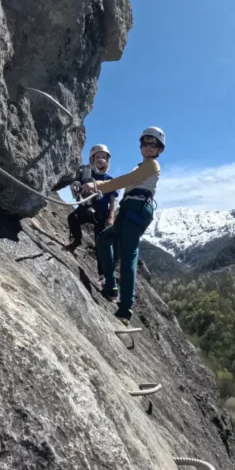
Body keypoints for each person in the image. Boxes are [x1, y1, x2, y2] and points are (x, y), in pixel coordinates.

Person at [81, 127, 165, 326]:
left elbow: (125, 181)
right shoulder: (142, 167)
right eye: (145, 142)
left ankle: (125, 308)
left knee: (128, 255)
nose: (148, 147)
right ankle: (111, 285)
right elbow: (128, 181)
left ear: (159, 149)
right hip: (129, 210)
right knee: (103, 238)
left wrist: (97, 186)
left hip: (135, 210)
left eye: (153, 144)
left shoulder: (152, 165)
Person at [66, 144, 119, 279]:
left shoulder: (109, 180)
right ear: (92, 159)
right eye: (98, 157)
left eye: (103, 157)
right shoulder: (86, 175)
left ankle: (102, 275)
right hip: (85, 208)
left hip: (102, 214)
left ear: (108, 160)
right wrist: (77, 188)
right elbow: (76, 190)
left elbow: (113, 200)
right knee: (73, 218)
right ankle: (77, 240)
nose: (101, 159)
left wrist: (111, 217)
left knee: (100, 243)